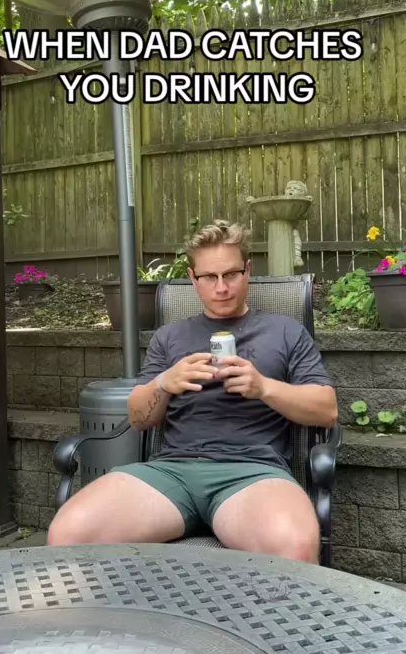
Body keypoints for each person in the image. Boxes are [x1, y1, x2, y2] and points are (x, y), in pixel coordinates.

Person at [47, 220, 338, 563]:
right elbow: (139, 419)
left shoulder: (285, 332)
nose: (221, 288)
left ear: (247, 270)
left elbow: (326, 410)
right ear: (192, 278)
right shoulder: (169, 337)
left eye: (231, 274)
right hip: (171, 473)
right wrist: (163, 383)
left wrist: (264, 387)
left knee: (296, 547)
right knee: (68, 534)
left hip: (253, 474)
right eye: (209, 277)